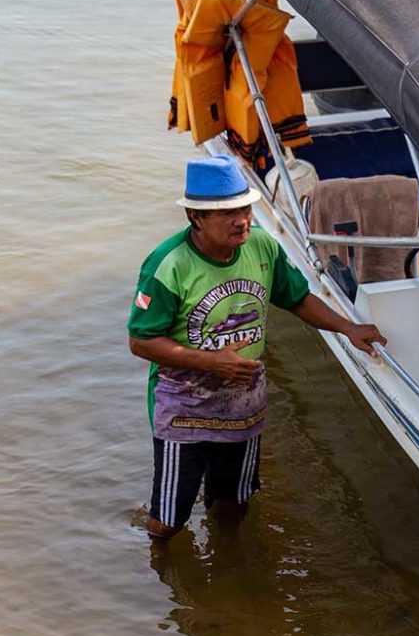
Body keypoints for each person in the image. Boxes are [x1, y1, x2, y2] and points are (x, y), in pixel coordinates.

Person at [128, 157, 383, 539]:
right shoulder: (169, 264)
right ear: (196, 217)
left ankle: (230, 569)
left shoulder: (262, 246)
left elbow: (296, 297)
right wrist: (213, 363)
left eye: (245, 208)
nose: (241, 219)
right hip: (184, 407)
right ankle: (159, 573)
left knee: (233, 504)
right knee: (167, 523)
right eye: (227, 212)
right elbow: (141, 340)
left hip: (242, 401)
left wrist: (347, 328)